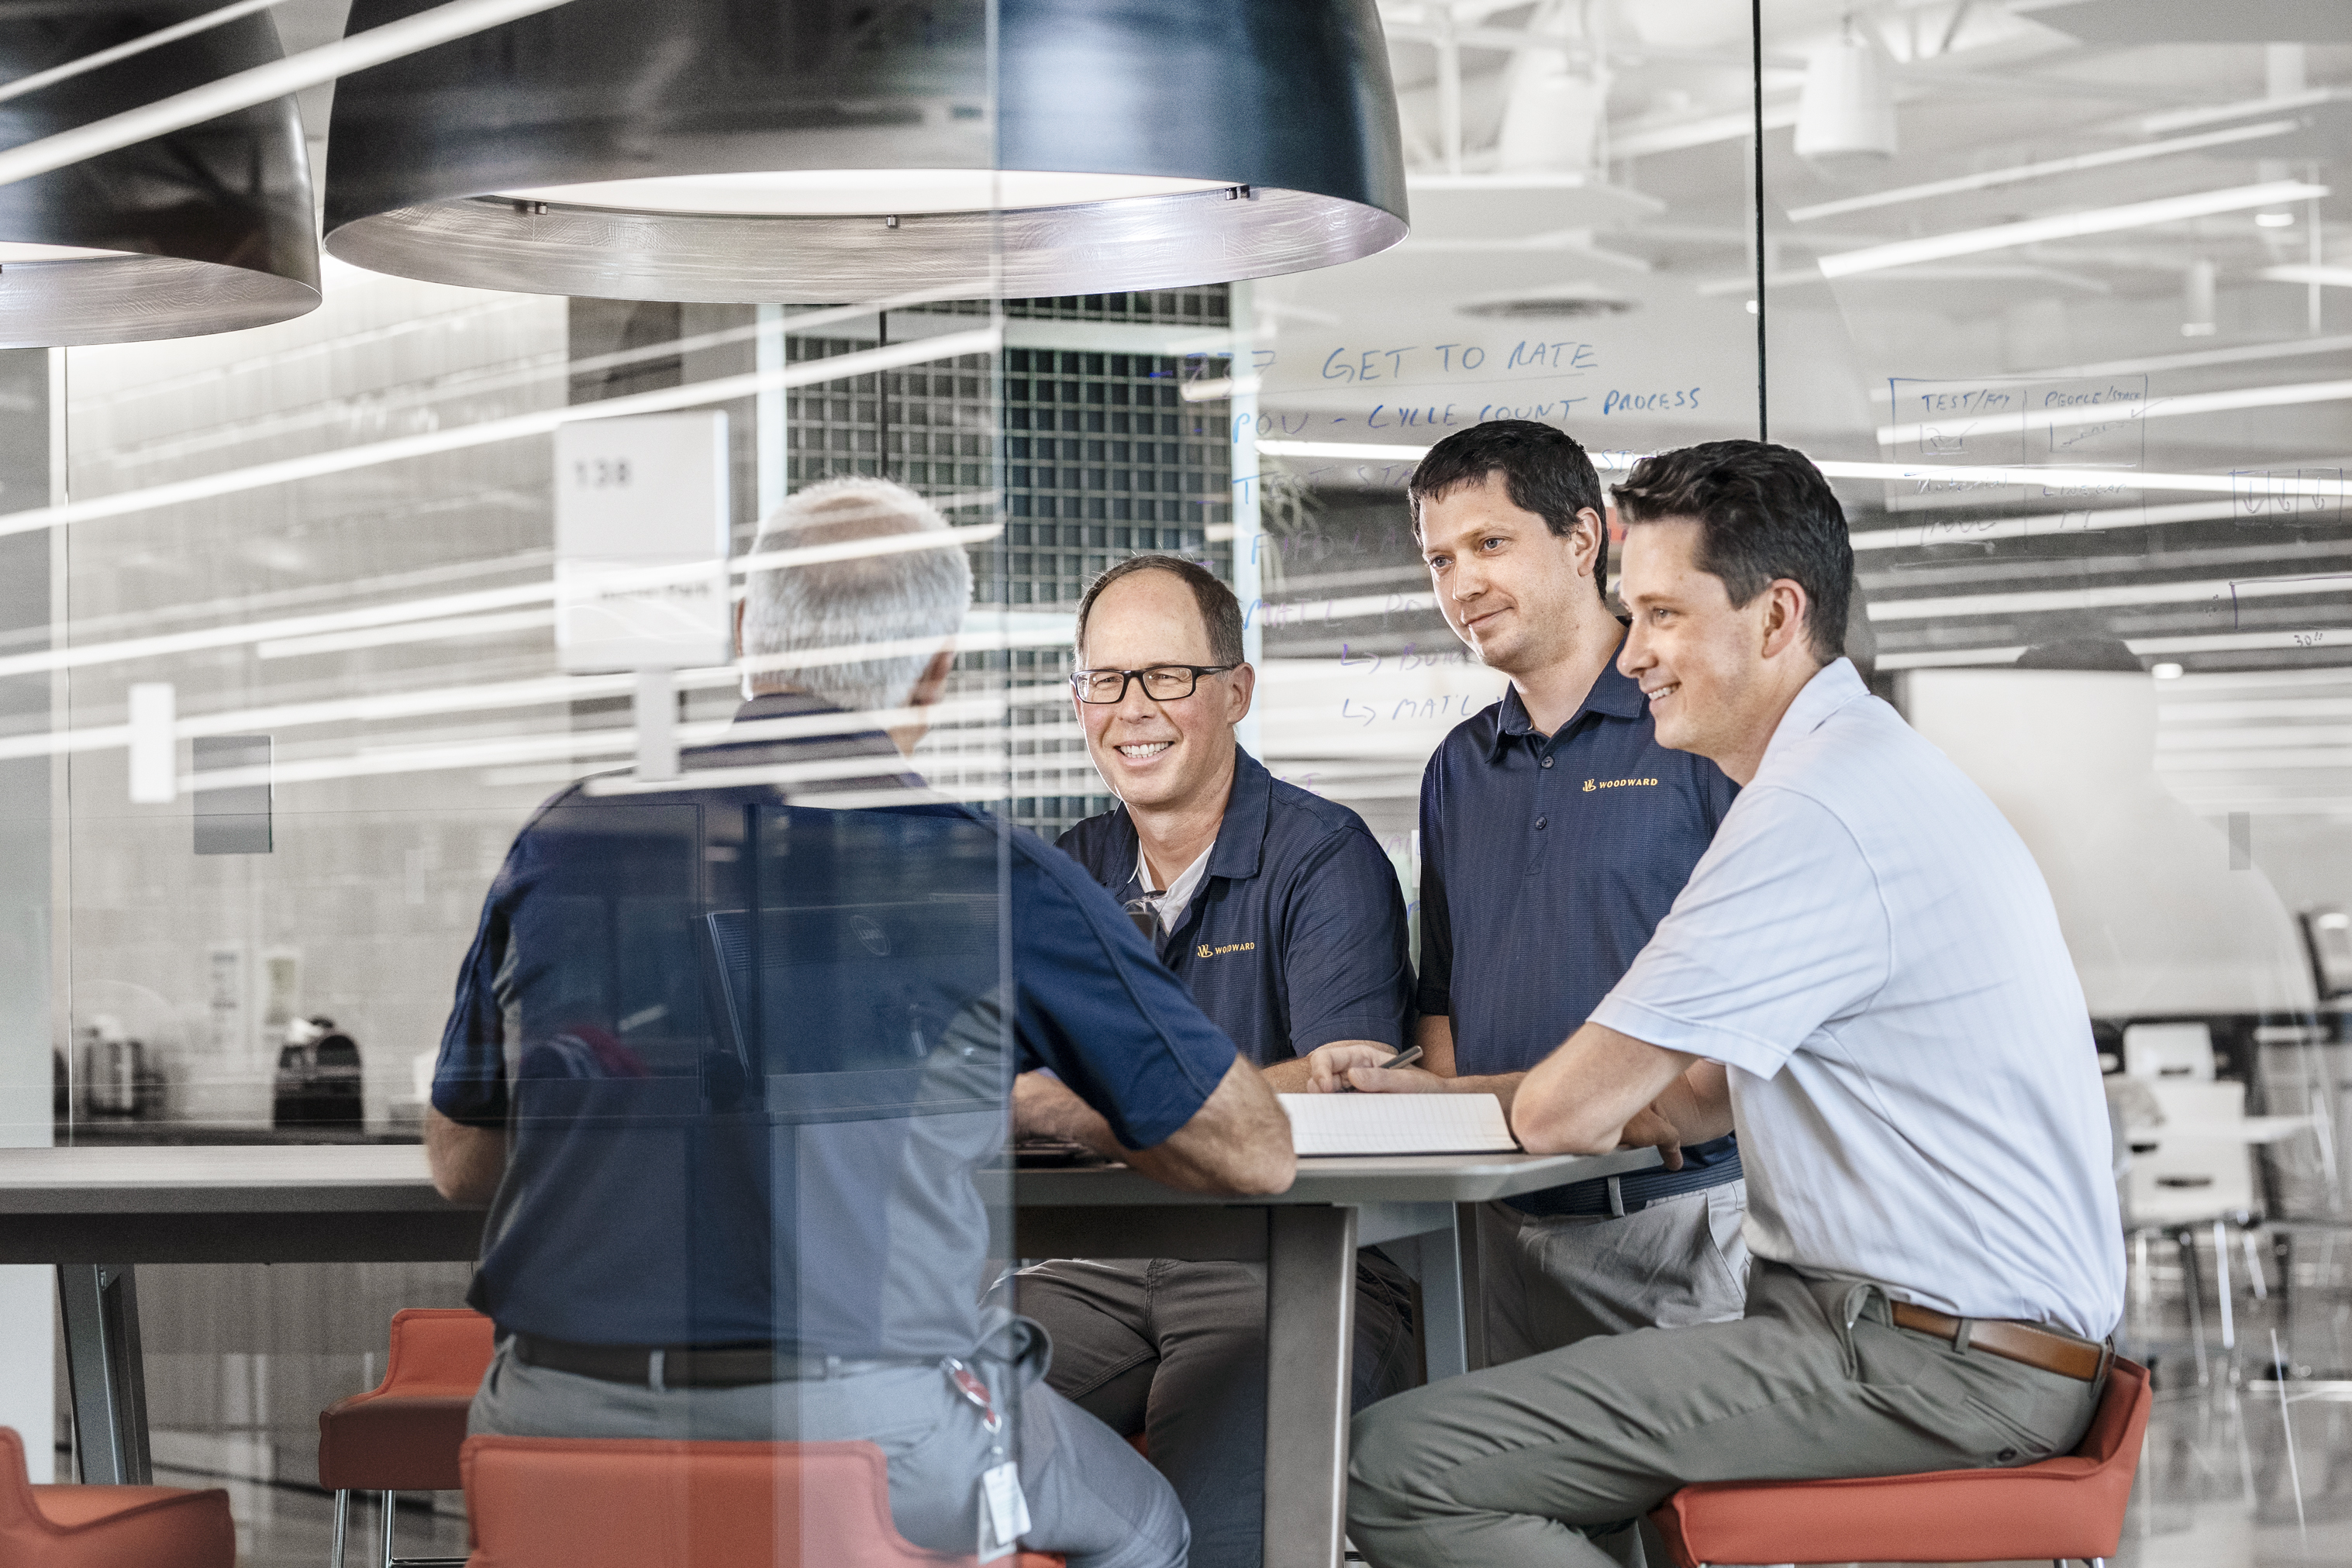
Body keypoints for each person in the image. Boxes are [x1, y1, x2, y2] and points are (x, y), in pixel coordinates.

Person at [425, 477, 1298, 1568]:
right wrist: (1064, 1104)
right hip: (859, 1435)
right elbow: (1253, 1151)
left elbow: (462, 1162)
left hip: (546, 1426)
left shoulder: (564, 840)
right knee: (1155, 1523)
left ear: (748, 638)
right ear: (937, 667)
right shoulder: (988, 872)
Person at [1347, 440, 2126, 1568]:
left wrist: (1418, 1105)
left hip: (1930, 1359)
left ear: (1775, 618)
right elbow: (1698, 1098)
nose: (1636, 657)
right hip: (1934, 1337)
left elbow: (1568, 1111)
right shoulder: (1860, 768)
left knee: (1400, 1464)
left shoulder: (1812, 810)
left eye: (1660, 614)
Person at [1014, 553, 1418, 1568]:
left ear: (1235, 689)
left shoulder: (1322, 857)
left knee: (1220, 1533)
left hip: (1284, 1262)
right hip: (1090, 1264)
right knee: (915, 1439)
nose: (1129, 708)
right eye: (1104, 679)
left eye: (1165, 675)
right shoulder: (1068, 869)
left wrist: (1092, 1098)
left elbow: (1347, 1078)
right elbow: (1006, 1087)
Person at [1316, 419, 1749, 1365]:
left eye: (1489, 544)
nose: (1460, 584)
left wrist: (1653, 1111)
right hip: (1490, 1234)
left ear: (1583, 540)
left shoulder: (1690, 728)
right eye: (1438, 559)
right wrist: (1423, 1104)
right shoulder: (1456, 769)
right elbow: (1444, 1001)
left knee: (1671, 1516)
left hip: (1667, 1223)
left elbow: (1755, 993)